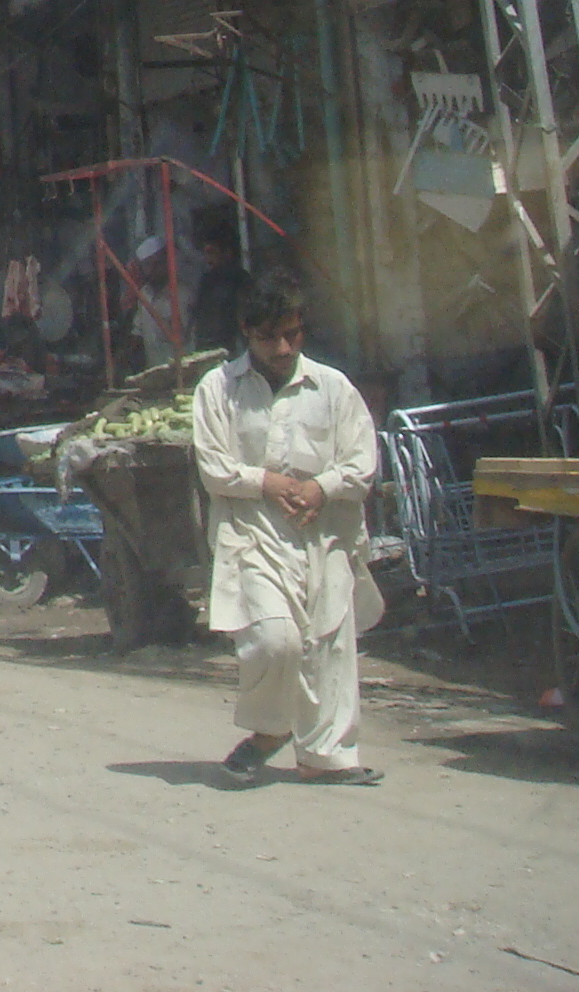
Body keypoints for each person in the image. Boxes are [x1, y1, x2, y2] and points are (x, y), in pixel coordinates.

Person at [193, 274, 383, 786]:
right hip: (253, 535)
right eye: (268, 338)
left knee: (329, 648)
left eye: (291, 335)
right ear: (246, 332)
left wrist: (322, 487)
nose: (282, 349)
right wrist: (266, 482)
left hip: (326, 535)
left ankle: (326, 758)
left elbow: (361, 462)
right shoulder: (218, 389)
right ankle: (270, 731)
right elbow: (213, 467)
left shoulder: (333, 387)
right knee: (276, 641)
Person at [188, 211, 249, 354]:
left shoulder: (241, 280)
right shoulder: (206, 281)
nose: (207, 259)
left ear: (227, 252)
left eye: (212, 252)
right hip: (206, 350)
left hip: (232, 351)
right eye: (205, 253)